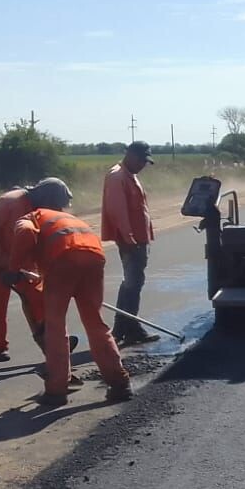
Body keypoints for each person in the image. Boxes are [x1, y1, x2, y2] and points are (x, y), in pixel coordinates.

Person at [8, 181, 132, 408]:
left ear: (38, 198)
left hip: (63, 262)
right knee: (95, 323)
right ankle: (119, 383)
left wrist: (13, 269)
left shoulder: (33, 215)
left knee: (55, 327)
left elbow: (25, 232)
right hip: (94, 259)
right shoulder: (72, 219)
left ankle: (57, 390)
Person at [0, 180, 53, 360]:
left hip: (23, 261)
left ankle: (49, 341)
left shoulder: (43, 210)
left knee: (37, 298)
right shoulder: (10, 202)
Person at [103, 141, 159, 346]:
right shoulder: (117, 176)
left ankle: (130, 326)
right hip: (131, 240)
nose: (143, 165)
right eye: (142, 161)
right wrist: (128, 238)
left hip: (138, 238)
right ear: (131, 156)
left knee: (135, 282)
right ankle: (122, 328)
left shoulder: (130, 176)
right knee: (131, 283)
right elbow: (118, 211)